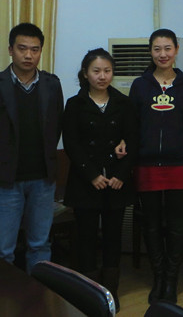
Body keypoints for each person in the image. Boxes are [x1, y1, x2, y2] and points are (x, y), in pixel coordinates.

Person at [0, 22, 64, 273]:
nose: (28, 55)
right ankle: (4, 296)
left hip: (43, 179)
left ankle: (38, 292)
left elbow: (56, 126)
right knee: (3, 248)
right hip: (6, 180)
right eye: (22, 48)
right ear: (10, 50)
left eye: (35, 49)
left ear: (41, 51)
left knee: (40, 244)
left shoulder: (51, 85)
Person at [129, 28, 183, 304]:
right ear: (150, 51)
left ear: (176, 50)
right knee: (150, 225)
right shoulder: (140, 86)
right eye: (157, 49)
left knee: (175, 225)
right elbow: (133, 127)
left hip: (179, 166)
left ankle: (171, 280)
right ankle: (158, 277)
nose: (163, 54)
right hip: (146, 165)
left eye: (168, 48)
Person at [62, 48, 136, 310]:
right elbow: (71, 143)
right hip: (86, 182)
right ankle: (89, 294)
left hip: (116, 183)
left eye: (107, 71)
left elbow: (133, 140)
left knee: (114, 238)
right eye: (96, 71)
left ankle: (111, 292)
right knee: (86, 238)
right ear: (86, 73)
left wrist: (121, 175)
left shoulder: (124, 103)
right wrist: (92, 175)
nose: (102, 76)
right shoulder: (75, 104)